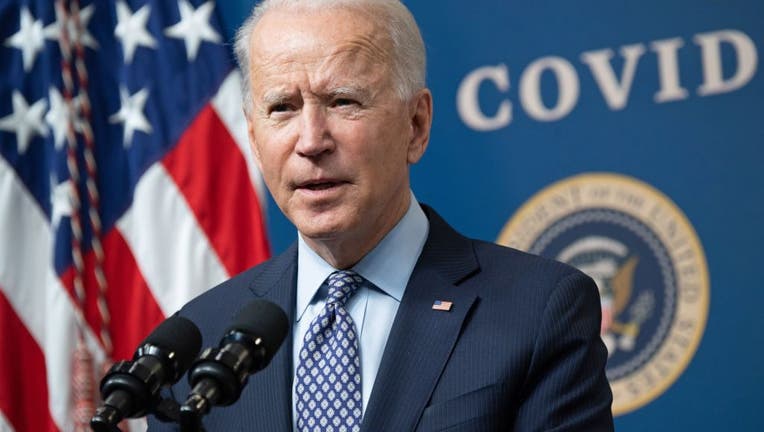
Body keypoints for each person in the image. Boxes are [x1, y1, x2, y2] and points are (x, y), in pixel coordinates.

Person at [148, 0, 614, 430]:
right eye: (282, 109)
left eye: (343, 101)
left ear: (416, 125)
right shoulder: (197, 343)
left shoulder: (538, 311)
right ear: (253, 137)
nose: (311, 141)